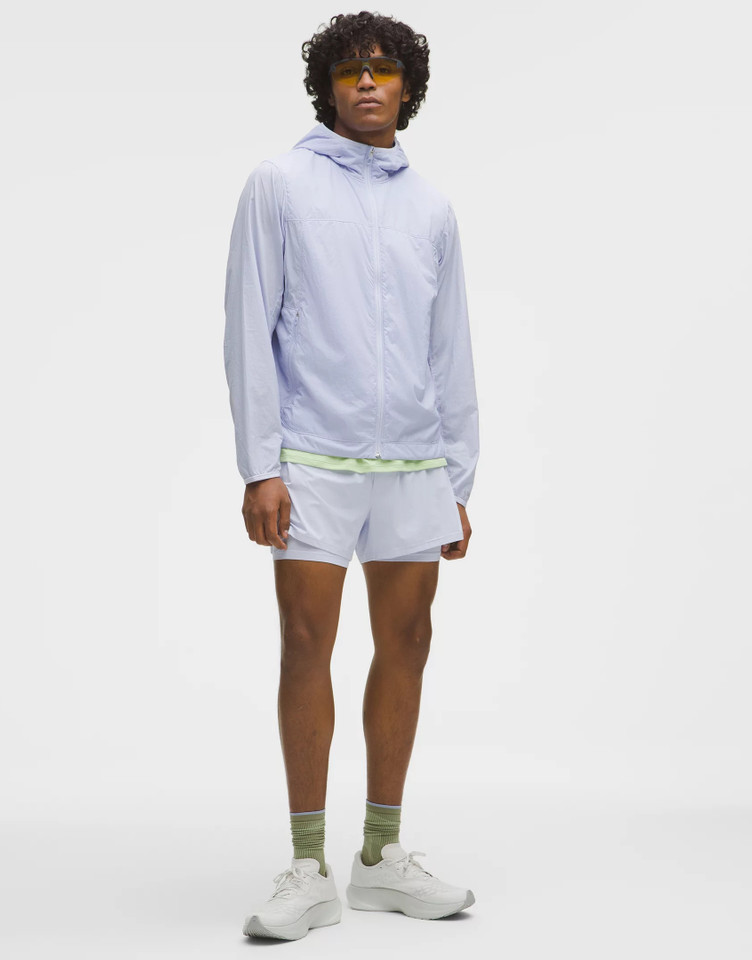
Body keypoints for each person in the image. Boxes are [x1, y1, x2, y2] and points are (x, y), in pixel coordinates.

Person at [223, 11, 479, 941]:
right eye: (349, 70)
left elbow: (449, 347)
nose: (367, 82)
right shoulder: (280, 184)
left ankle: (380, 857)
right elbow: (250, 324)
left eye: (383, 69)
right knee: (306, 643)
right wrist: (261, 465)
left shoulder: (432, 208)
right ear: (326, 87)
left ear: (408, 87)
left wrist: (459, 477)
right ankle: (306, 868)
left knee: (408, 641)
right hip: (314, 459)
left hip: (414, 461)